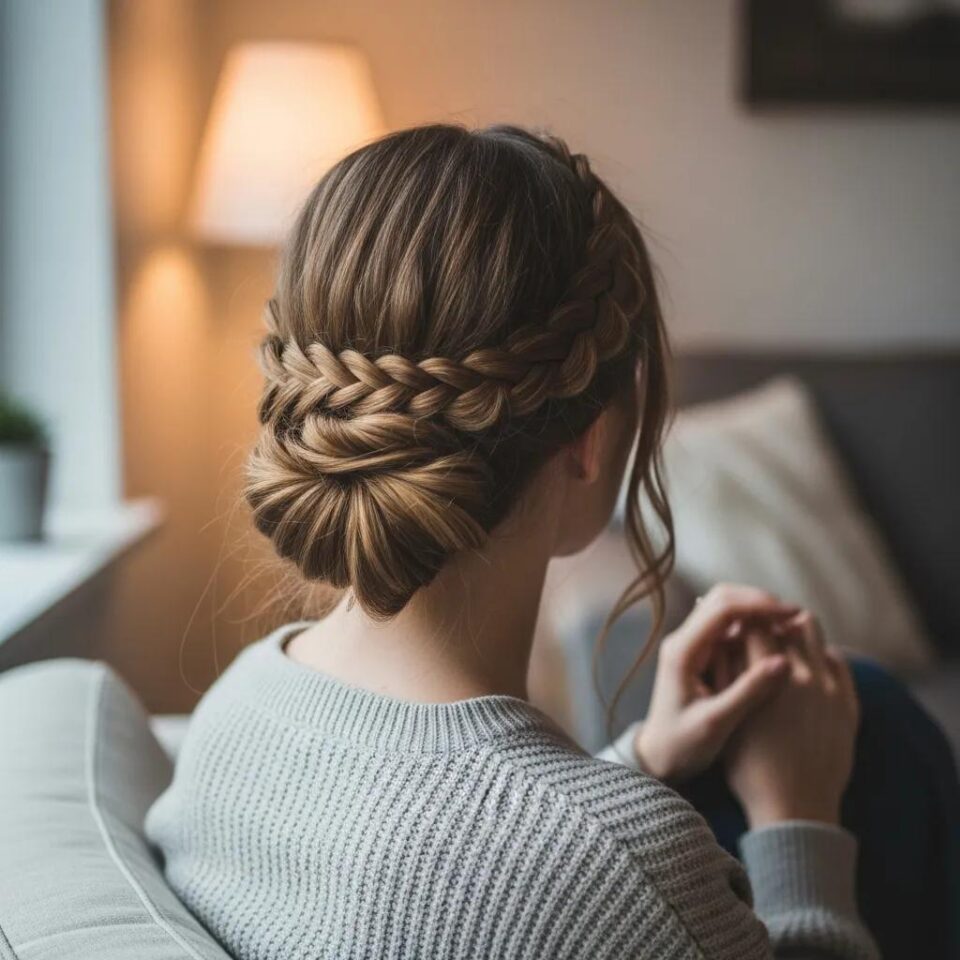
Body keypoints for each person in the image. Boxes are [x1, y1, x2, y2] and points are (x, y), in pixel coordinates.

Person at [146, 124, 956, 960]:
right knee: (879, 714)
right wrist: (800, 819)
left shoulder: (234, 710)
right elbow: (551, 878)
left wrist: (641, 756)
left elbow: (482, 864)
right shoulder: (619, 871)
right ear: (593, 438)